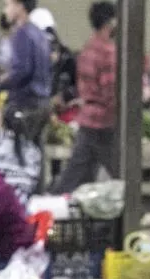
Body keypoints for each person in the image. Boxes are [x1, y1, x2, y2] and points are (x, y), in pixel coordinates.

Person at [51, 2, 116, 194]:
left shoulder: (88, 48)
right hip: (104, 121)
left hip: (87, 116)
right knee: (123, 170)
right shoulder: (108, 51)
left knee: (78, 172)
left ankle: (56, 199)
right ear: (110, 22)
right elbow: (110, 90)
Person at [0, 0, 52, 138]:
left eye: (7, 5)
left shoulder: (22, 33)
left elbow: (22, 71)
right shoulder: (39, 33)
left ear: (20, 6)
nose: (5, 10)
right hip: (42, 104)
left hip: (25, 105)